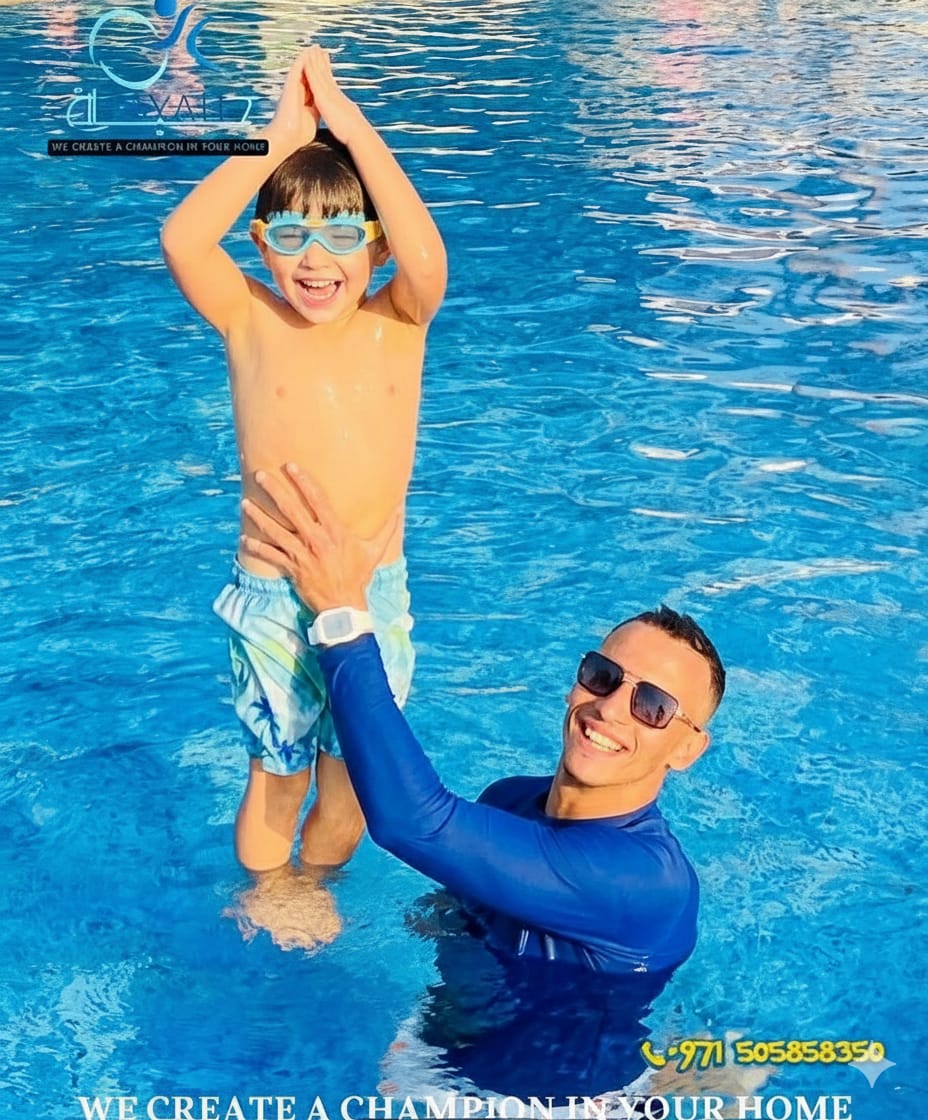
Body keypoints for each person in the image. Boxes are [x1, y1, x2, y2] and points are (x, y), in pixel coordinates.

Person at [239, 464, 727, 1097]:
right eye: (603, 675)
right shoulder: (510, 801)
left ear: (686, 748)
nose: (610, 708)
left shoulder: (640, 880)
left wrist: (340, 615)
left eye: (653, 705)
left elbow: (414, 821)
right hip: (437, 1057)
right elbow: (457, 903)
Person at [160, 45, 447, 880]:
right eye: (290, 236)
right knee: (276, 778)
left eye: (340, 236)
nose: (315, 260)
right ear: (261, 243)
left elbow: (430, 259)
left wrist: (351, 127)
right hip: (274, 600)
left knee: (355, 783)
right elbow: (182, 237)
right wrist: (276, 141)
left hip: (372, 591)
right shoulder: (251, 320)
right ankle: (264, 892)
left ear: (378, 246)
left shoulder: (398, 322)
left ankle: (312, 886)